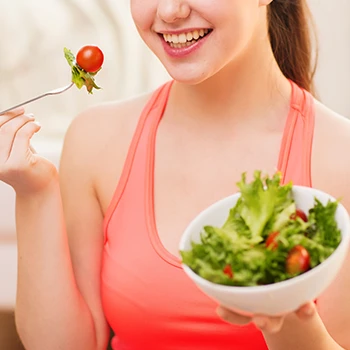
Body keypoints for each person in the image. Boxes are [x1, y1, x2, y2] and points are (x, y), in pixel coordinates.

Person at [1, 0, 349, 349]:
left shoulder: (339, 158)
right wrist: (34, 193)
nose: (169, 11)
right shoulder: (95, 141)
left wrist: (282, 313)